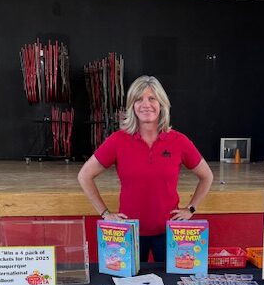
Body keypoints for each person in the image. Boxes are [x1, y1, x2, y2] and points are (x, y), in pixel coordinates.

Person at [78, 75, 213, 261]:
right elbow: (84, 175)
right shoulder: (118, 140)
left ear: (162, 104)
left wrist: (190, 209)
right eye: (139, 99)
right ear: (132, 106)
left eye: (152, 98)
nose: (145, 104)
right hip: (129, 233)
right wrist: (105, 213)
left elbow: (207, 176)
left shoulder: (179, 141)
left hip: (168, 233)